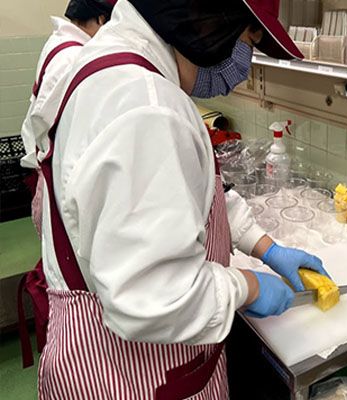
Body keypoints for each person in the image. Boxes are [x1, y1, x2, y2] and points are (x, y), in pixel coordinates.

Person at [38, 0, 327, 398]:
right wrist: (247, 287)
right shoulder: (148, 107)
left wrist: (265, 247)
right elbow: (150, 294)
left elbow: (191, 195)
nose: (242, 68)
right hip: (130, 378)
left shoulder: (113, 67)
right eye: (247, 40)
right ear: (209, 20)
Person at [20, 0, 116, 237]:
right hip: (57, 170)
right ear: (101, 20)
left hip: (49, 164)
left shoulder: (59, 42)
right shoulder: (74, 57)